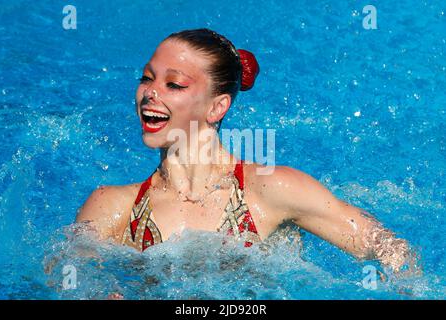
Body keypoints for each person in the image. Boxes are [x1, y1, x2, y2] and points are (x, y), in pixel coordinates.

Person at [77, 28, 414, 273]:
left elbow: (390, 248)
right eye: (146, 78)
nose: (150, 93)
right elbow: (67, 276)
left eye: (174, 84)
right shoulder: (114, 207)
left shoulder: (268, 190)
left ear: (217, 107)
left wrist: (402, 285)